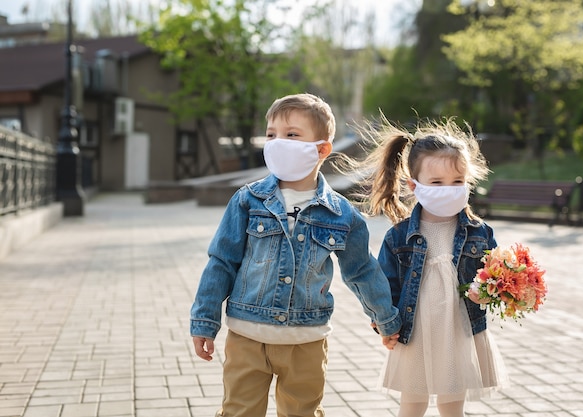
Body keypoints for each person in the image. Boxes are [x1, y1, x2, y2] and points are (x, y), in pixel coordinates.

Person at [190, 93, 402, 417]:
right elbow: (222, 261)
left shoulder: (341, 214)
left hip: (307, 339)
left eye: (291, 134)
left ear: (321, 149)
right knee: (239, 411)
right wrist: (204, 320)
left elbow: (361, 271)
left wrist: (385, 318)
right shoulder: (247, 201)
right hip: (248, 334)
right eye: (272, 134)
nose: (277, 142)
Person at [352, 114, 509, 417]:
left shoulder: (479, 232)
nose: (448, 189)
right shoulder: (399, 236)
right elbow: (384, 286)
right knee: (412, 405)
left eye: (457, 182)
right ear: (415, 185)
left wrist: (489, 291)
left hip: (459, 328)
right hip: (416, 329)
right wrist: (383, 325)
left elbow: (495, 274)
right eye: (437, 182)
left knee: (453, 406)